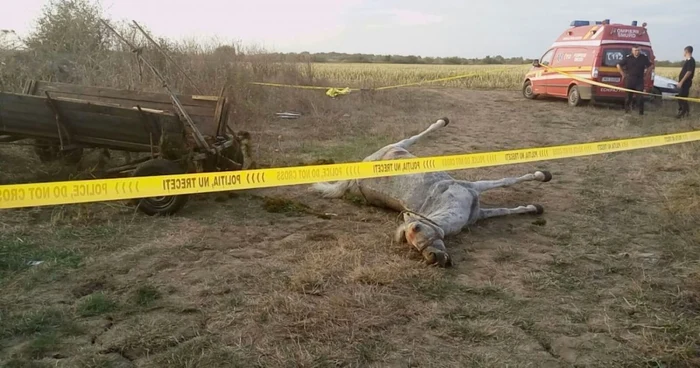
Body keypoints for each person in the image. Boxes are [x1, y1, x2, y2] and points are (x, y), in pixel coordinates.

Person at [616, 45, 652, 115]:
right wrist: (623, 74)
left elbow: (650, 66)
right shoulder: (628, 58)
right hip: (629, 80)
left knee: (640, 98)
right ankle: (627, 112)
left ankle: (641, 113)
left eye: (638, 50)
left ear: (640, 50)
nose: (637, 52)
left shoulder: (643, 58)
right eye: (635, 50)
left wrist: (646, 75)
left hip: (639, 80)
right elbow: (618, 65)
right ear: (632, 51)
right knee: (628, 98)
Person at [676, 46, 695, 118]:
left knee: (681, 97)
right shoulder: (688, 60)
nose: (683, 53)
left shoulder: (690, 60)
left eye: (684, 51)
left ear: (687, 51)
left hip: (685, 83)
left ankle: (682, 113)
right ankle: (686, 112)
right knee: (683, 97)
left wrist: (681, 82)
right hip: (684, 83)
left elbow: (689, 72)